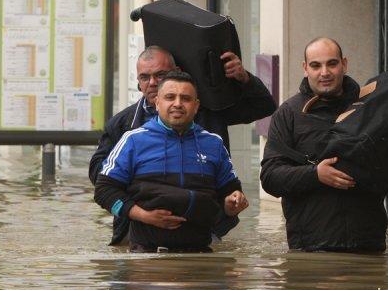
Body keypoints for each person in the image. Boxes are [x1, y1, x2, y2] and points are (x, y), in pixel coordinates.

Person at [260, 37, 388, 252]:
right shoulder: (288, 114)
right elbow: (270, 177)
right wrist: (315, 175)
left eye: (332, 63)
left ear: (344, 64)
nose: (325, 72)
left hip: (368, 248)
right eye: (316, 65)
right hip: (311, 251)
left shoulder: (371, 107)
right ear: (305, 69)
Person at [94, 71, 249, 252]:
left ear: (196, 105)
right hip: (145, 259)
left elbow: (230, 193)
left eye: (185, 98)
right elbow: (103, 191)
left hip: (201, 256)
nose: (177, 104)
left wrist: (233, 204)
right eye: (170, 97)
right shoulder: (133, 141)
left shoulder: (213, 143)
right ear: (157, 103)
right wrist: (143, 215)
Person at [88, 45, 275, 185]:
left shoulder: (208, 112)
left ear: (176, 73)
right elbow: (98, 173)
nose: (153, 83)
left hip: (200, 224)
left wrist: (244, 78)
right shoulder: (122, 124)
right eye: (145, 77)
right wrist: (140, 194)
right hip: (138, 226)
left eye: (160, 75)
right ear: (138, 81)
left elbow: (264, 106)